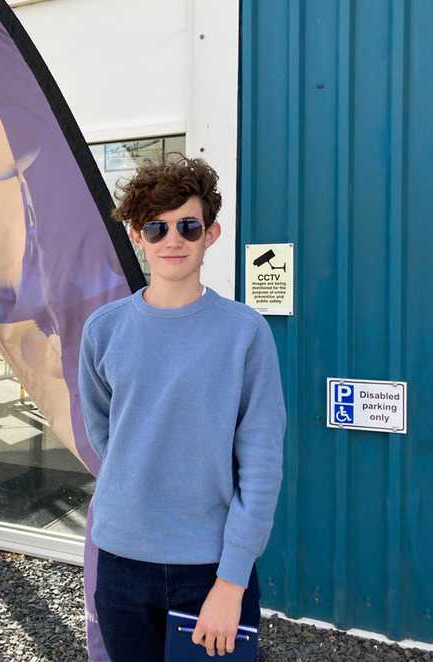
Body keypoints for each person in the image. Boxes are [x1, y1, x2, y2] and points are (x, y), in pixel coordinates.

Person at [77, 155, 286, 660]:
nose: (172, 240)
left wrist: (231, 581)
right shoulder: (103, 330)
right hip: (120, 564)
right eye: (157, 226)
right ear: (136, 234)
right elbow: (105, 433)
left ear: (210, 234)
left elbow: (261, 465)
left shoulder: (244, 332)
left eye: (188, 226)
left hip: (209, 568)